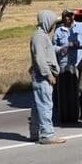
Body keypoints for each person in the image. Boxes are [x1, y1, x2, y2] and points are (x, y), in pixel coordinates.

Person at [29, 10, 66, 144]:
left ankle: (34, 132)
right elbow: (40, 58)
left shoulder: (41, 36)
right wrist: (48, 74)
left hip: (39, 75)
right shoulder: (39, 37)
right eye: (52, 22)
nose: (53, 25)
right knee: (45, 105)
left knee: (37, 106)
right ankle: (47, 135)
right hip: (42, 77)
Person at [52, 8, 82, 123]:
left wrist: (77, 43)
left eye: (71, 15)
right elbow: (53, 46)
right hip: (64, 63)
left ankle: (79, 110)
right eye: (66, 16)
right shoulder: (59, 30)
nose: (69, 17)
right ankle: (63, 110)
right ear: (63, 17)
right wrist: (60, 49)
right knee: (64, 89)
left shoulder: (81, 27)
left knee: (80, 88)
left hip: (79, 62)